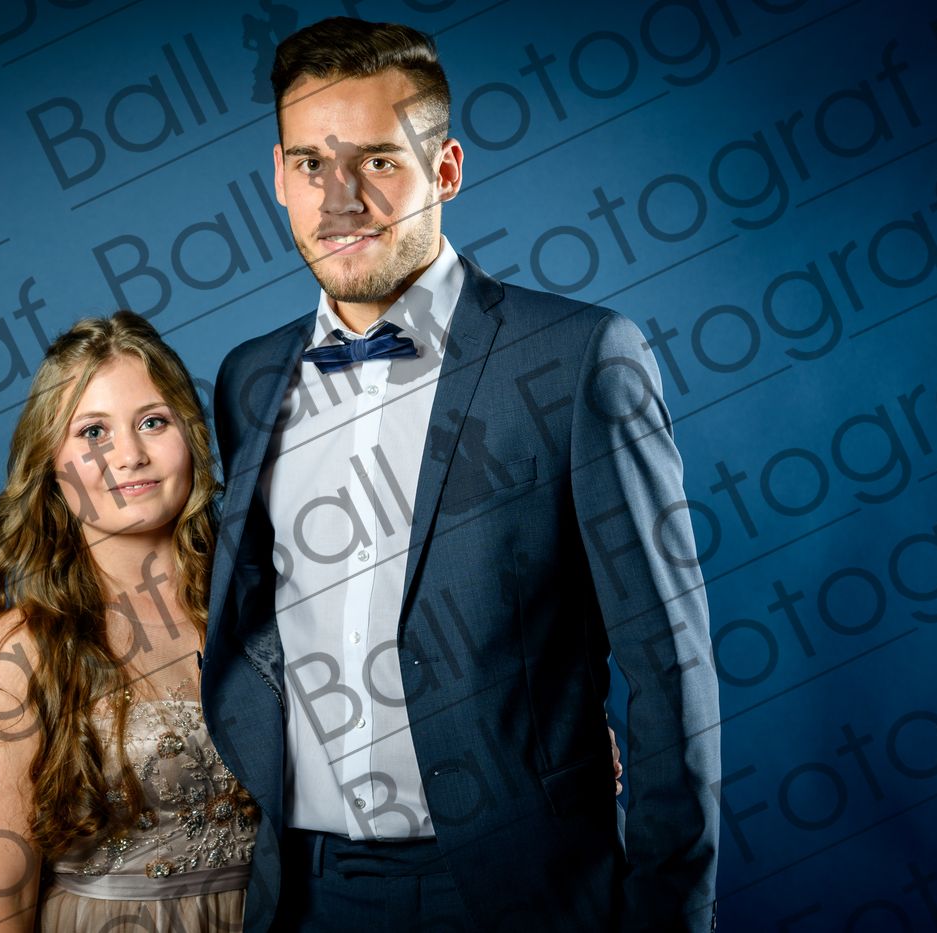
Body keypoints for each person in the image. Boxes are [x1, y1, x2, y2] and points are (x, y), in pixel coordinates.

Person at [200, 17, 720, 933]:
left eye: (378, 161)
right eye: (312, 164)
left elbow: (668, 666)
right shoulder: (249, 379)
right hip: (304, 892)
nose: (340, 199)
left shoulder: (579, 358)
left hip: (522, 892)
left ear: (445, 170)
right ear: (278, 176)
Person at [0, 312, 256, 932]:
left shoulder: (258, 611)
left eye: (153, 422)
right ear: (50, 463)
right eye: (93, 432)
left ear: (191, 436)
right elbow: (1, 913)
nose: (129, 455)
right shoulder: (19, 654)